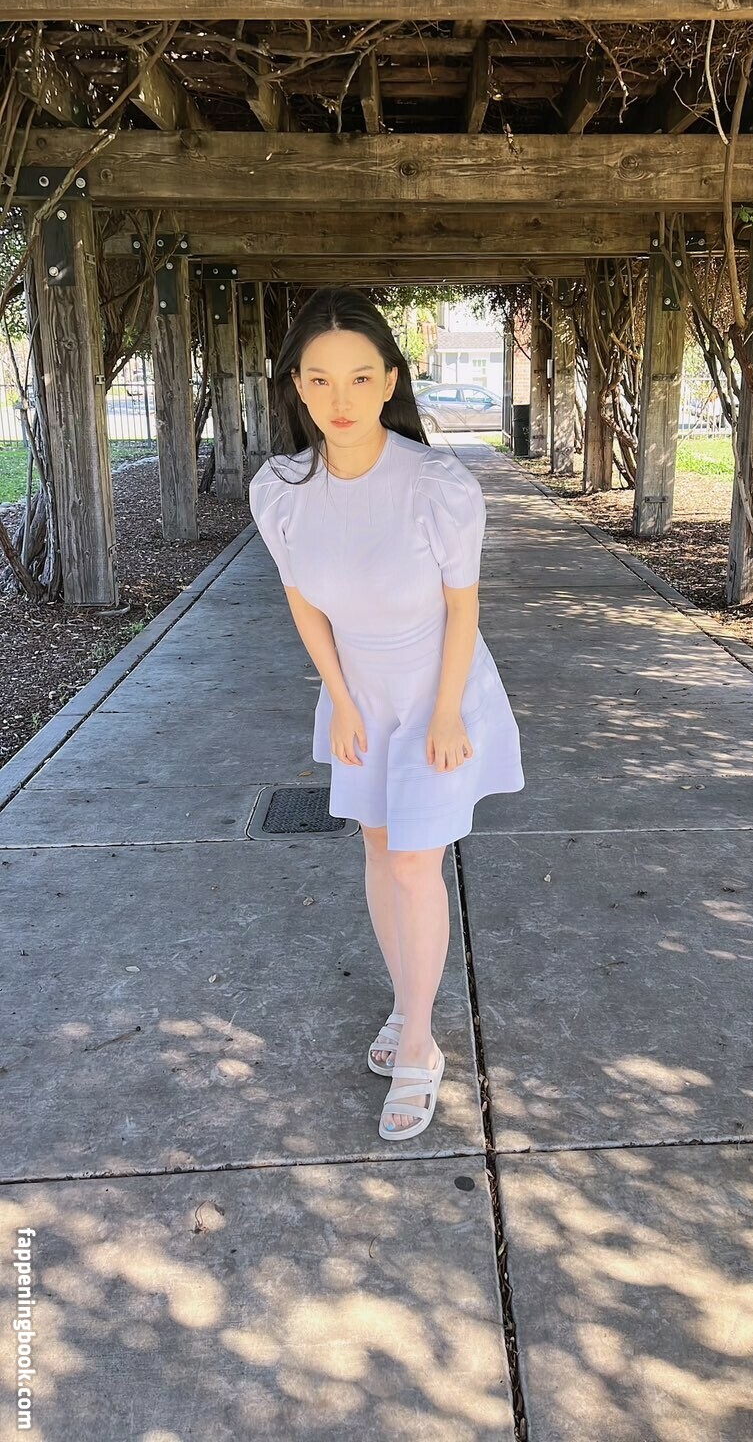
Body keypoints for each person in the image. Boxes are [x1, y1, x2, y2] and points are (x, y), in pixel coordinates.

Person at [248, 286, 525, 1141]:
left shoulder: (437, 484)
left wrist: (447, 714)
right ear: (297, 386)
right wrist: (337, 697)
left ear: (390, 381)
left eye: (360, 378)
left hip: (440, 691)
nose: (341, 400)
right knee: (377, 848)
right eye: (320, 379)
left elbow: (464, 608)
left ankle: (418, 1041)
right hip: (358, 693)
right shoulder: (281, 488)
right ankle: (409, 1002)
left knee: (413, 863)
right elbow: (303, 604)